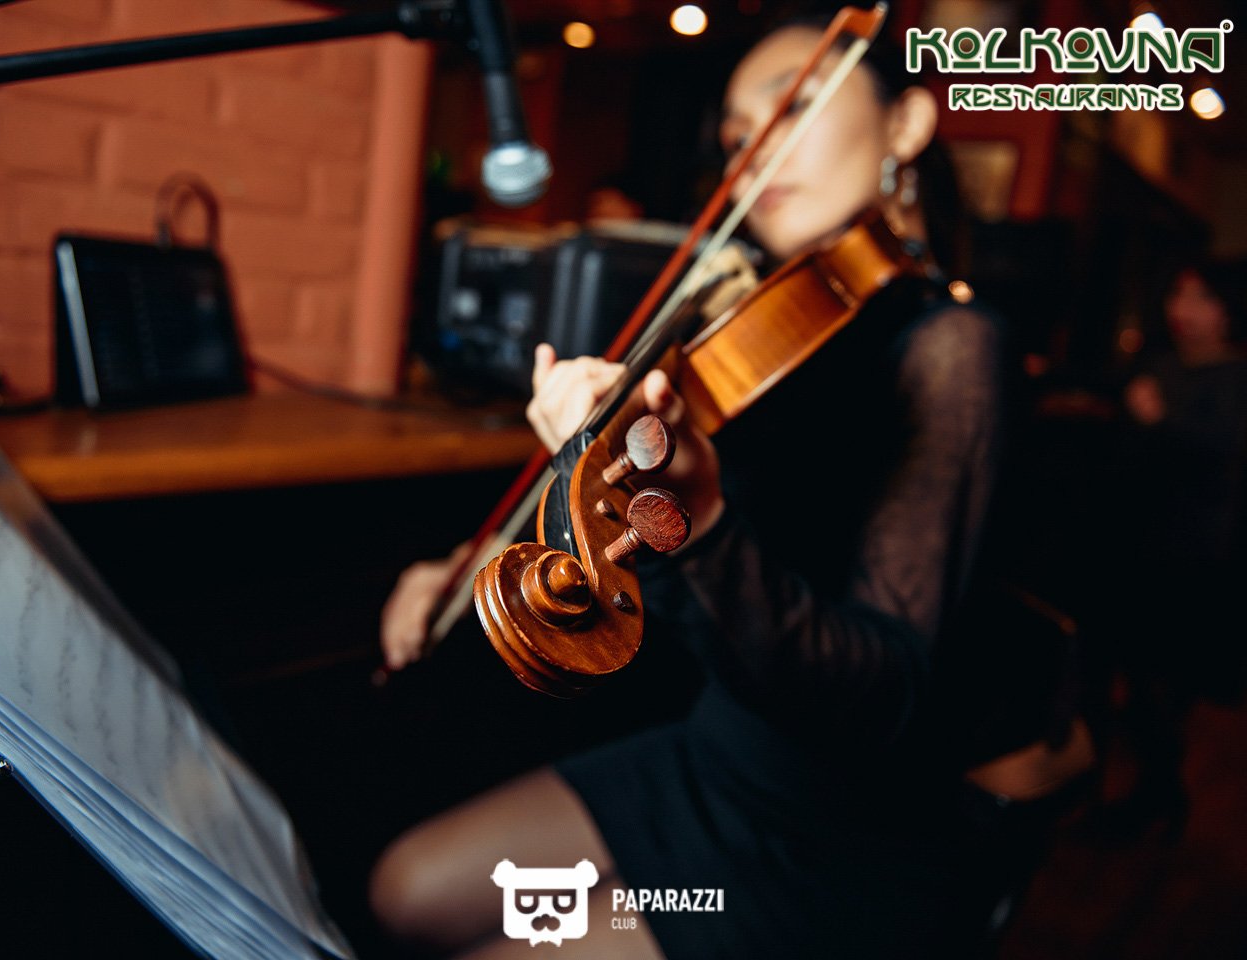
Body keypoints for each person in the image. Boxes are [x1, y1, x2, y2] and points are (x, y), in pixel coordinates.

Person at [369, 9, 1092, 958]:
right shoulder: (775, 339)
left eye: (792, 109)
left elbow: (883, 691)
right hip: (725, 755)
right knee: (404, 893)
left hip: (840, 838)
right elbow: (660, 561)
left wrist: (698, 524)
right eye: (737, 134)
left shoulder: (954, 347)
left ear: (908, 125)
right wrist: (472, 565)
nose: (754, 151)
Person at [1088, 257, 1247, 839]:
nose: (1182, 310)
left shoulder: (1234, 379)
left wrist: (1158, 421)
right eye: (1179, 296)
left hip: (1191, 556)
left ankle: (1156, 795)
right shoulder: (1161, 362)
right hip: (1134, 542)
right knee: (1124, 672)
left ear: (1229, 311)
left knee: (1162, 680)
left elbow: (1217, 455)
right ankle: (1144, 792)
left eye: (1201, 299)